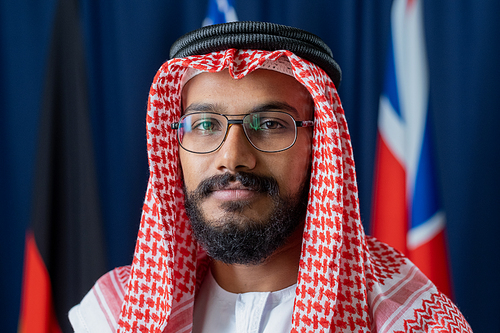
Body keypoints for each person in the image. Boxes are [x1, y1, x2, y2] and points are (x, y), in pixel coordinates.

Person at [69, 22, 472, 333]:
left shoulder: (406, 315)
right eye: (205, 124)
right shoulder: (113, 313)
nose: (233, 158)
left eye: (271, 124)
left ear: (322, 147)